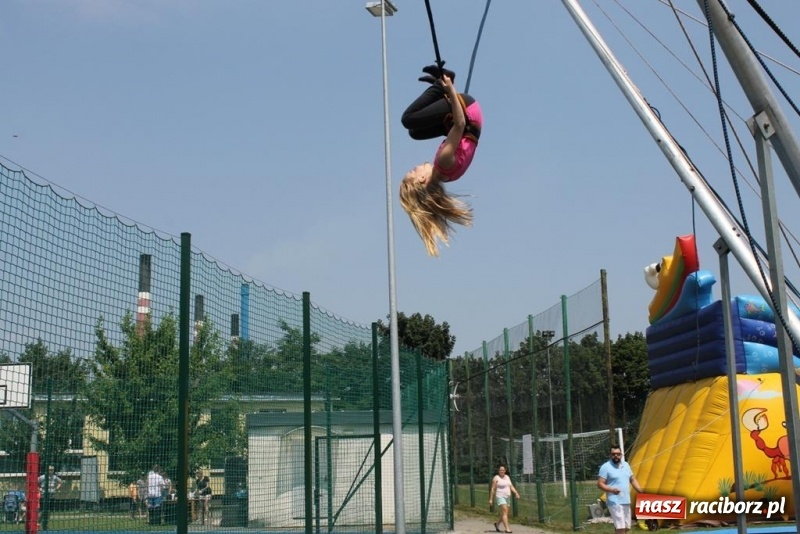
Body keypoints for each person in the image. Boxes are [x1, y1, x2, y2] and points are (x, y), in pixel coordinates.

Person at [399, 64, 483, 256]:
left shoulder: (448, 175)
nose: (415, 167)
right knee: (408, 120)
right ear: (421, 181)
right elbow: (460, 124)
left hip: (469, 119)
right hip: (467, 110)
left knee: (415, 133)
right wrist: (449, 89)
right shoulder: (443, 161)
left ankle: (441, 85)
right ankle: (441, 82)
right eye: (413, 171)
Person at [597, 446, 644, 534]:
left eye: (618, 454)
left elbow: (632, 479)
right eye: (613, 454)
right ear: (610, 455)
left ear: (621, 455)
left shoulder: (626, 465)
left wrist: (640, 491)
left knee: (627, 526)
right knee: (621, 528)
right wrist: (611, 489)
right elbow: (600, 484)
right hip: (614, 501)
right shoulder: (605, 467)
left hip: (626, 500)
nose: (616, 456)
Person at [489, 464, 520, 533]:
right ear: (498, 471)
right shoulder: (496, 478)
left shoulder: (507, 477)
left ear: (505, 471)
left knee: (504, 513)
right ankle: (507, 528)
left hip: (507, 497)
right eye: (500, 470)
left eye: (503, 470)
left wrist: (516, 493)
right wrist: (491, 499)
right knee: (505, 511)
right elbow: (493, 489)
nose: (502, 471)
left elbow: (511, 486)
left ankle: (497, 524)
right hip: (500, 496)